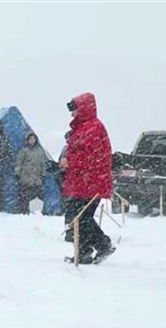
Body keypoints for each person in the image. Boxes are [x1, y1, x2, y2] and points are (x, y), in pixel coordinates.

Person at [62, 92, 115, 264]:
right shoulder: (85, 128)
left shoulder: (92, 128)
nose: (72, 114)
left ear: (83, 109)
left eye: (74, 110)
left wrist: (69, 163)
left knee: (81, 218)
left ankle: (103, 244)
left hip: (91, 183)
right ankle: (83, 252)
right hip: (84, 182)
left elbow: (90, 157)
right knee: (79, 218)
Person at [15, 133, 46, 214]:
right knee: (24, 197)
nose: (32, 141)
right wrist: (17, 173)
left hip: (37, 179)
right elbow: (18, 163)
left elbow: (43, 163)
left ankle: (37, 212)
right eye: (30, 139)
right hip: (26, 177)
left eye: (33, 139)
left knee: (37, 197)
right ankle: (23, 211)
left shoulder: (40, 151)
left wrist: (43, 174)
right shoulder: (23, 150)